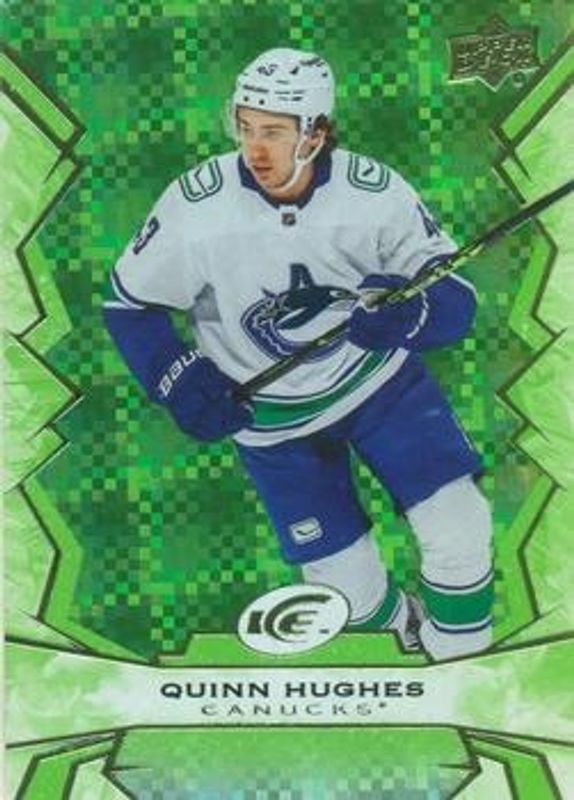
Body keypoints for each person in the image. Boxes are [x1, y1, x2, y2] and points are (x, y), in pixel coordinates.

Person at [103, 47, 494, 661]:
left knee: (459, 525)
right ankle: (405, 636)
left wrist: (412, 312)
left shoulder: (374, 193)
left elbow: (457, 298)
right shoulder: (195, 207)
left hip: (381, 389)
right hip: (271, 422)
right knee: (345, 596)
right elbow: (129, 305)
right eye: (245, 128)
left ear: (317, 133)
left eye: (274, 133)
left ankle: (464, 660)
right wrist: (177, 378)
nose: (255, 150)